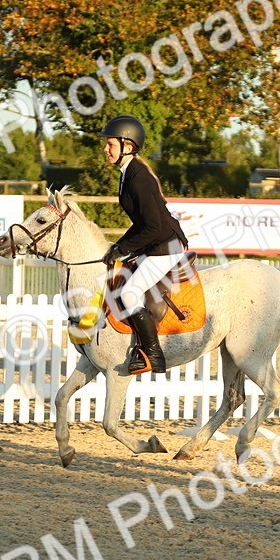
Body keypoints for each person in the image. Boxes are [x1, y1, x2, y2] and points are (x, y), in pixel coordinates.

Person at [100, 115, 188, 375]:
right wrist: (119, 245)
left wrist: (125, 248)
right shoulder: (129, 172)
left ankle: (153, 354)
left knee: (128, 294)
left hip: (166, 246)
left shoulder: (139, 178)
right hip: (156, 242)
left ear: (128, 145)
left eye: (111, 145)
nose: (106, 149)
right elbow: (140, 224)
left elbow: (153, 228)